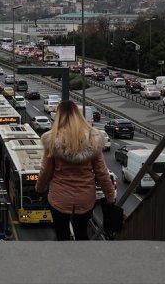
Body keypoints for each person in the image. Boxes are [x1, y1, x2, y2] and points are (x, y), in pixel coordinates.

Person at [36, 100, 116, 240]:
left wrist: (40, 188)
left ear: (59, 116)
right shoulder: (93, 139)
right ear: (79, 115)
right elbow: (102, 172)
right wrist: (110, 195)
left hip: (59, 197)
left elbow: (46, 171)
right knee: (82, 233)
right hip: (85, 197)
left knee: (62, 235)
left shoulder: (52, 139)